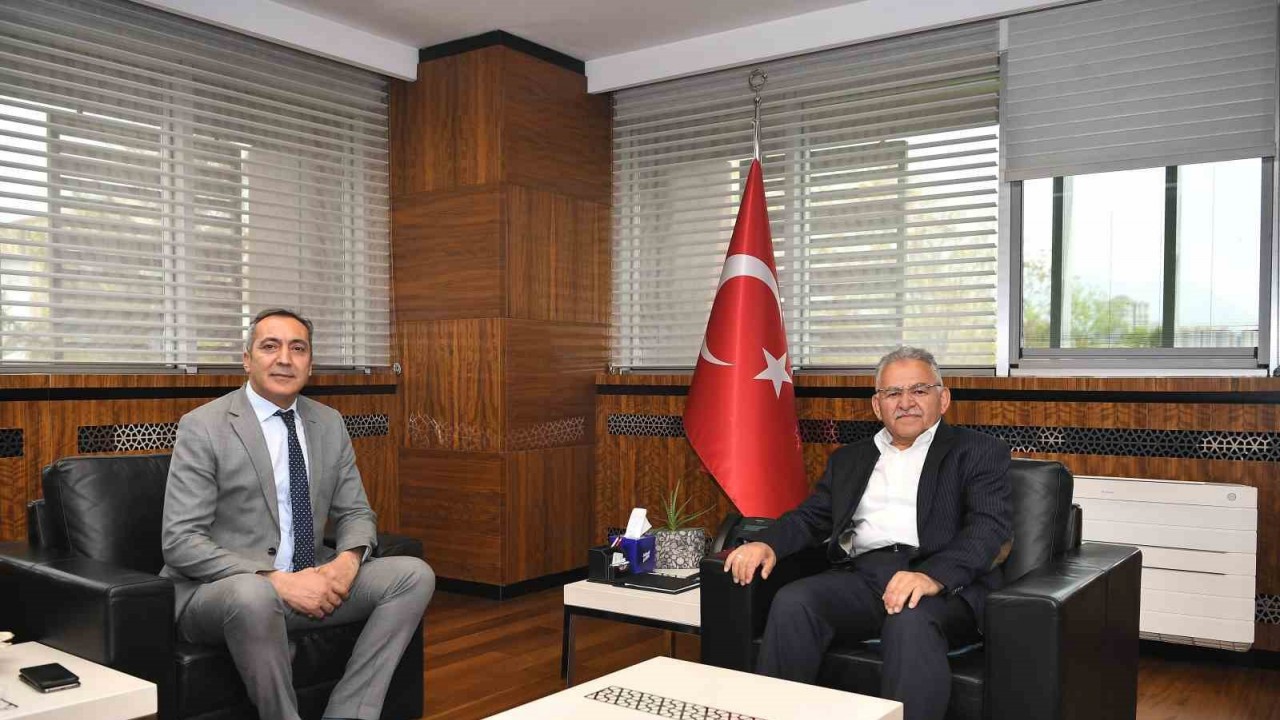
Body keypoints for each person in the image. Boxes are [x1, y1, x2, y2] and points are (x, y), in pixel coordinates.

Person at [160, 308, 434, 720]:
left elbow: (356, 512)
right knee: (254, 595)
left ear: (310, 363)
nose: (284, 359)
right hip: (223, 593)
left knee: (414, 575)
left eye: (298, 348)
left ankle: (350, 713)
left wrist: (346, 563)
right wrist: (278, 582)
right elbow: (181, 542)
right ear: (247, 359)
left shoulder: (328, 422)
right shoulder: (204, 426)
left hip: (313, 579)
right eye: (270, 346)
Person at [724, 346, 1011, 720]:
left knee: (908, 621)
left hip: (943, 585)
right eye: (893, 393)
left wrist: (932, 576)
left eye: (919, 390)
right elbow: (811, 517)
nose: (905, 403)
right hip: (866, 577)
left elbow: (989, 528)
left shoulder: (978, 451)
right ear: (877, 405)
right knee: (795, 602)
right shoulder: (850, 458)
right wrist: (767, 543)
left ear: (943, 399)